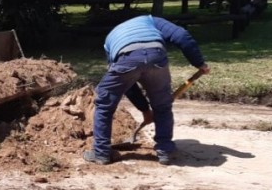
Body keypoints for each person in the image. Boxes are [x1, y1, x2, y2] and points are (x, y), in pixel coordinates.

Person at [83, 15, 211, 166]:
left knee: (104, 104)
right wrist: (199, 63)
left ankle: (101, 153)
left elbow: (127, 85)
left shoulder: (111, 38)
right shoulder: (151, 20)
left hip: (126, 57)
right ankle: (165, 151)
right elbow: (182, 36)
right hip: (156, 57)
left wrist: (144, 110)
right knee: (162, 105)